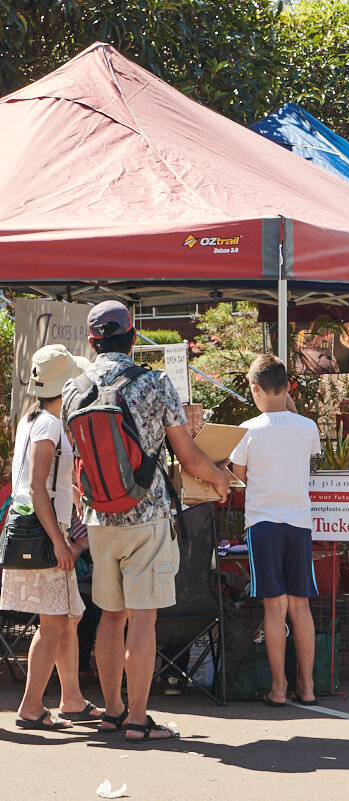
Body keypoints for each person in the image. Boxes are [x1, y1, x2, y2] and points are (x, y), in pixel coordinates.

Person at [62, 300, 232, 742]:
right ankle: (138, 718)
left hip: (98, 518)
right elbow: (189, 456)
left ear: (92, 341)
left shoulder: (72, 389)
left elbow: (78, 459)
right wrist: (221, 479)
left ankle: (112, 711)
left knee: (110, 618)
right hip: (147, 514)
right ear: (133, 337)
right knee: (142, 618)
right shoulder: (153, 382)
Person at [0, 344, 100, 731]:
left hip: (32, 528)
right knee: (56, 623)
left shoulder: (33, 419)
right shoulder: (52, 424)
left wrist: (73, 502)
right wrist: (60, 541)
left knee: (69, 618)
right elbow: (38, 487)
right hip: (44, 533)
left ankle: (71, 698)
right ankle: (30, 707)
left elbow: (37, 483)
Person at [229, 355, 321, 707]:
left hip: (263, 522)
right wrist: (292, 411)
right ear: (288, 386)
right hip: (299, 521)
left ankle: (279, 688)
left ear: (255, 388)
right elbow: (304, 453)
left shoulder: (248, 430)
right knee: (301, 605)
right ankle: (308, 686)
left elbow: (240, 475)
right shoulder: (307, 427)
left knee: (274, 606)